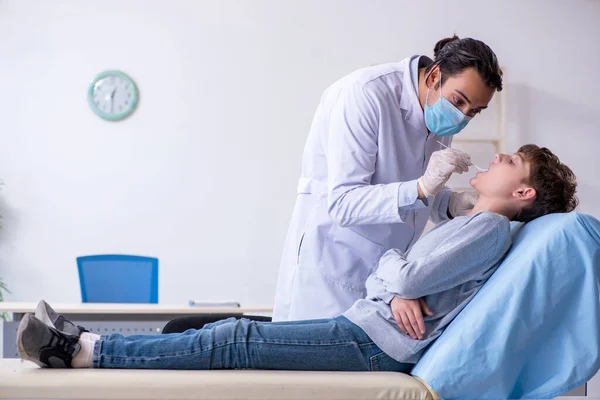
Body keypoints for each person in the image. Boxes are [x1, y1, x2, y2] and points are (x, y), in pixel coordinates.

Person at [17, 144, 578, 371]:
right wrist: (401, 280)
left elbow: (402, 269)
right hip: (369, 327)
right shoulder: (475, 222)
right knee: (217, 331)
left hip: (375, 342)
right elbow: (411, 272)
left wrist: (395, 280)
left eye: (509, 161)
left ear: (522, 193)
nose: (495, 157)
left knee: (232, 339)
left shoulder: (488, 229)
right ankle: (90, 341)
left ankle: (81, 350)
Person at [274, 35, 505, 321]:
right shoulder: (364, 94)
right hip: (334, 269)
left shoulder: (441, 111)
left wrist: (448, 204)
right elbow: (344, 203)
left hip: (388, 279)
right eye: (459, 102)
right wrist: (422, 188)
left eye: (475, 111)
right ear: (434, 76)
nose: (462, 117)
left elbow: (408, 192)